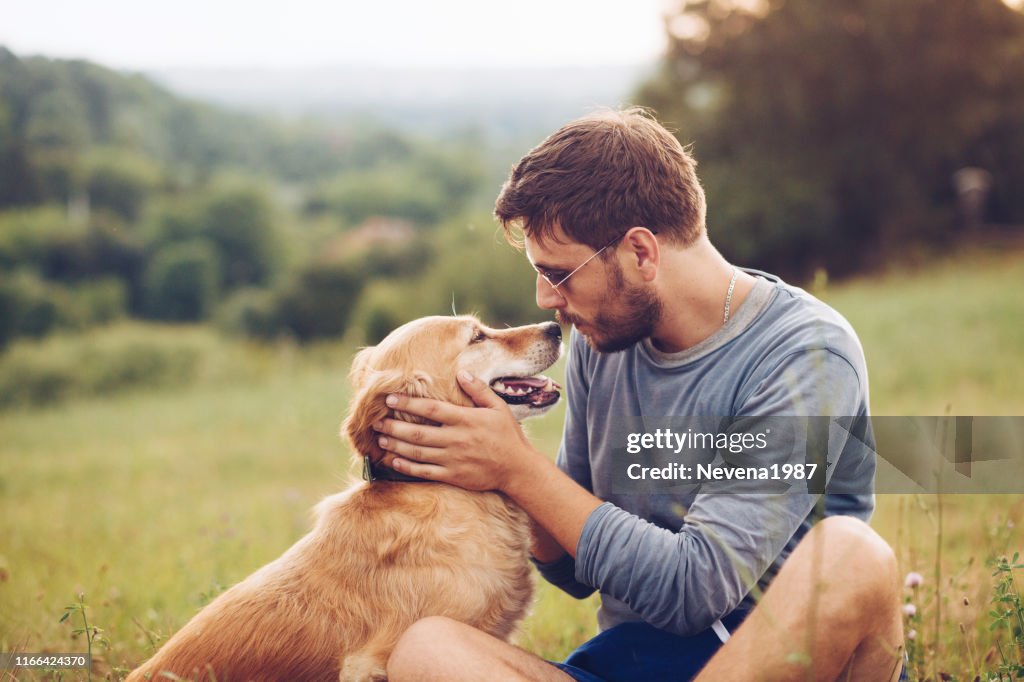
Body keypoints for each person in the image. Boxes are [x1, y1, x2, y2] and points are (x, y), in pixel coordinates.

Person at [372, 108, 905, 680]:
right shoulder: (602, 342)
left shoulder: (805, 356)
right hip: (626, 665)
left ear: (641, 253)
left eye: (558, 274)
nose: (545, 299)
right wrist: (470, 451)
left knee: (855, 554)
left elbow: (693, 590)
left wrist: (517, 469)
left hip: (759, 663)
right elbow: (574, 569)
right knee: (425, 649)